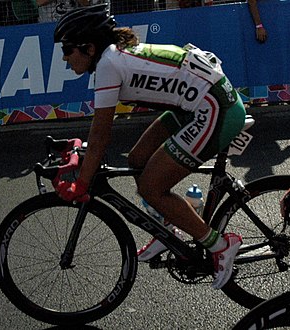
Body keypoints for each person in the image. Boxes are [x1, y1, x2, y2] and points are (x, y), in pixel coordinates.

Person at [54, 4, 246, 289]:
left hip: (215, 108)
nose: (64, 59)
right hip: (196, 103)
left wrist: (81, 184)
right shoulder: (111, 57)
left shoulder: (109, 65)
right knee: (138, 158)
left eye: (67, 50)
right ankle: (167, 227)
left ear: (89, 48)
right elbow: (98, 137)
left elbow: (101, 138)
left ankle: (220, 245)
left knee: (150, 187)